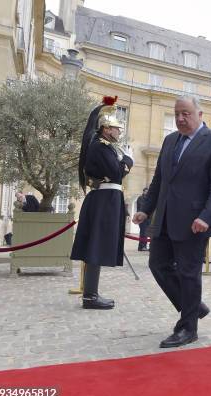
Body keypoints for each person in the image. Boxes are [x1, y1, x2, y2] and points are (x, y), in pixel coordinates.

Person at [132, 96, 211, 348]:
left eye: (185, 113)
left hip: (194, 221)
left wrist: (206, 216)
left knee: (189, 274)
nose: (179, 118)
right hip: (164, 217)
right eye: (176, 114)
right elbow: (159, 180)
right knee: (157, 265)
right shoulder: (170, 140)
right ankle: (193, 306)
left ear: (199, 113)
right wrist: (146, 209)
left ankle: (188, 327)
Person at [70, 96, 134, 310]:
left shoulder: (104, 146)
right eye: (116, 128)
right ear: (106, 129)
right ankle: (90, 296)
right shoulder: (100, 146)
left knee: (96, 246)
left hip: (106, 199)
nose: (118, 131)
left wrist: (121, 159)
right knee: (95, 247)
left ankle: (91, 294)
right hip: (104, 200)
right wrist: (128, 160)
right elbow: (116, 172)